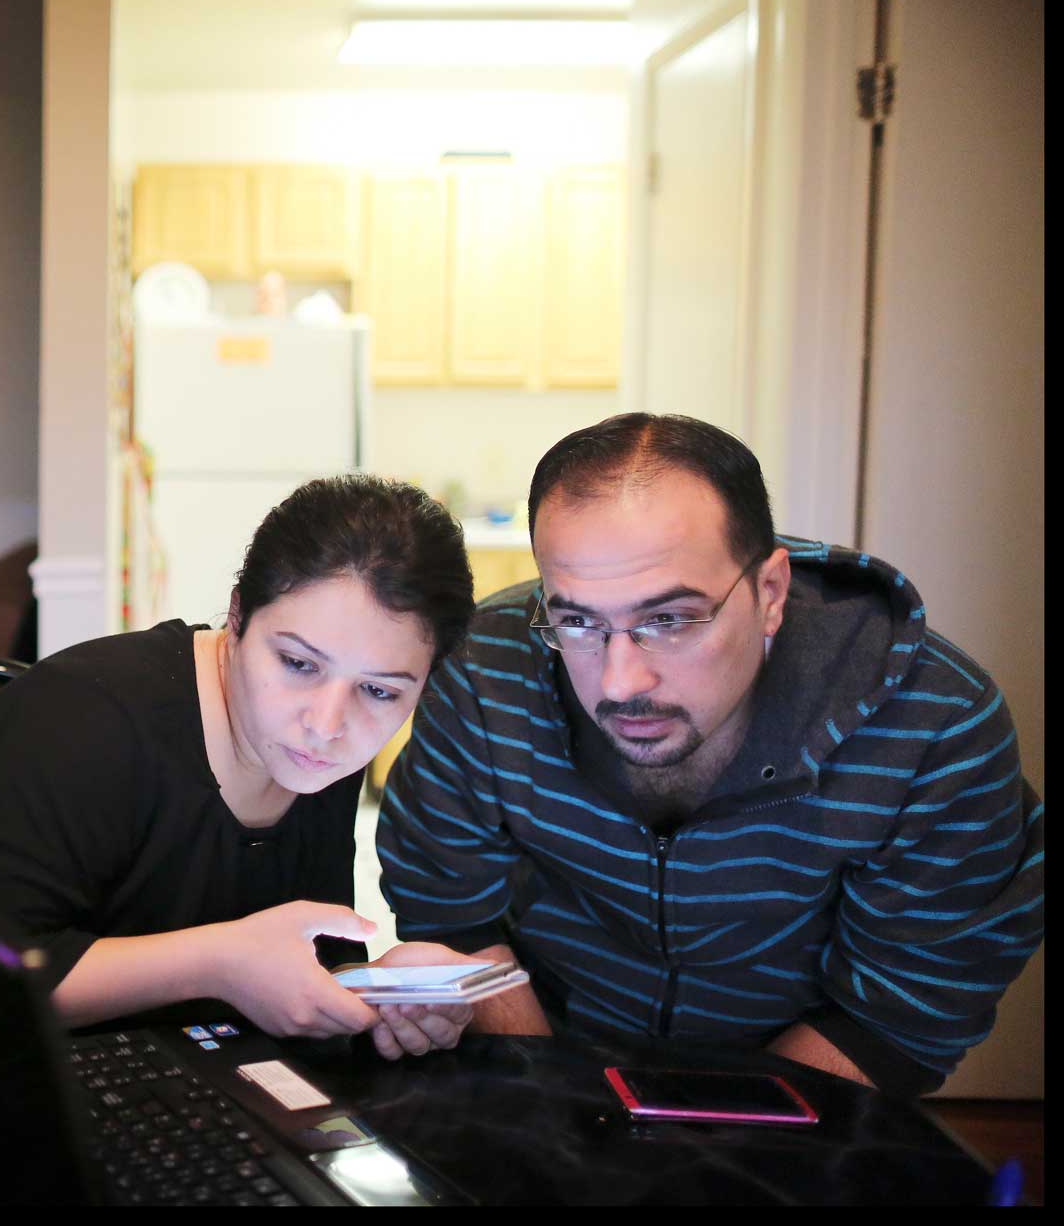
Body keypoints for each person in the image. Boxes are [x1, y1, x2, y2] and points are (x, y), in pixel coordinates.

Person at [378, 413, 1044, 1096]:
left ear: (771, 593)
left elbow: (902, 1012)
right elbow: (452, 908)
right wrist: (550, 1112)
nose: (619, 683)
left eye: (669, 619)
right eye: (578, 621)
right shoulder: (487, 670)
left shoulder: (936, 726)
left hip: (799, 1106)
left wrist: (706, 1143)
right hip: (548, 1062)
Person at [0, 474, 487, 1061]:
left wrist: (378, 994)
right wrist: (215, 963)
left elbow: (295, 950)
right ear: (236, 617)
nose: (326, 722)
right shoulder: (93, 718)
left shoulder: (312, 747)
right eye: (297, 663)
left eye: (380, 691)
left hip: (147, 1076)